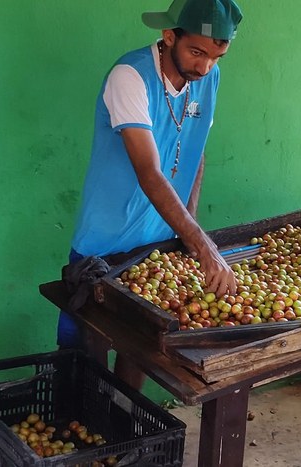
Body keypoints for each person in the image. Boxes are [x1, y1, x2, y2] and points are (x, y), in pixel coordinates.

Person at [59, 0, 243, 389]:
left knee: (141, 349)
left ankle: (125, 424)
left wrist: (188, 227)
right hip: (105, 244)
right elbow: (149, 172)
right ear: (169, 35)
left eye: (217, 55)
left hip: (158, 242)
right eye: (196, 52)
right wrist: (205, 247)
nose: (205, 66)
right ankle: (79, 429)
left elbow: (197, 150)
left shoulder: (207, 76)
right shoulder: (131, 76)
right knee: (83, 356)